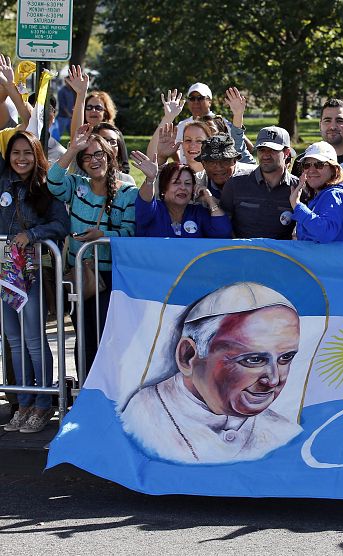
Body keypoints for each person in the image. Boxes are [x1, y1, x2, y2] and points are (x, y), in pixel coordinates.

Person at [119, 282, 303, 464]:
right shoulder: (138, 421)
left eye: (285, 358)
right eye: (253, 360)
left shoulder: (284, 433)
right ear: (188, 356)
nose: (273, 380)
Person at [47, 124, 138, 370]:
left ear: (110, 156)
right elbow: (53, 181)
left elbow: (129, 233)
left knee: (106, 339)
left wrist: (102, 235)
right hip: (79, 275)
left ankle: (107, 397)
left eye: (98, 154)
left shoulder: (128, 192)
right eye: (86, 157)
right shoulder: (77, 186)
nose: (93, 160)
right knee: (84, 339)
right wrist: (73, 148)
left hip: (110, 279)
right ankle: (84, 392)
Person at [0, 131, 69, 434]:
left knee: (33, 340)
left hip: (32, 272)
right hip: (4, 275)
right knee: (13, 340)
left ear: (37, 154)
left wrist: (33, 235)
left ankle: (43, 404)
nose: (21, 158)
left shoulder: (46, 188)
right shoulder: (2, 183)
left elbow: (61, 224)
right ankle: (24, 401)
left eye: (27, 152)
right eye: (15, 152)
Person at [221, 126, 299, 239]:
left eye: (272, 150)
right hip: (241, 254)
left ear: (286, 152)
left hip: (282, 256)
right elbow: (223, 226)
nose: (266, 155)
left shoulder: (298, 188)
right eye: (261, 150)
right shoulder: (235, 184)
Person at [130, 156, 232, 239]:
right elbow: (145, 201)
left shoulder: (198, 213)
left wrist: (210, 201)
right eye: (176, 182)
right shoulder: (154, 210)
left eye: (188, 183)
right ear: (164, 187)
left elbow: (223, 234)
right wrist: (150, 179)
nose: (183, 187)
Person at [290, 141, 343, 243]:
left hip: (337, 259)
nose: (311, 170)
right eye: (306, 165)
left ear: (334, 169)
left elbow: (325, 233)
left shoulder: (334, 195)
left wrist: (297, 206)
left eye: (319, 165)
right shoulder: (325, 194)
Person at [192, 134, 257, 199]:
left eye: (225, 161)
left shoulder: (255, 177)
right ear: (203, 164)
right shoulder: (196, 182)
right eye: (212, 162)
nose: (218, 167)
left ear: (234, 161)